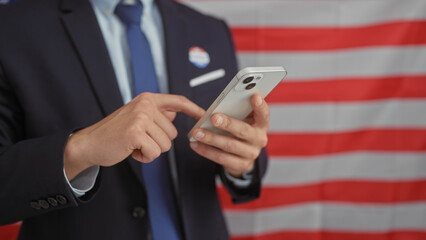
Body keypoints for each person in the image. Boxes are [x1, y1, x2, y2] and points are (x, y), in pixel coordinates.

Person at [0, 0, 269, 239]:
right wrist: (80, 148)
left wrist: (243, 163)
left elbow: (239, 148)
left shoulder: (208, 29)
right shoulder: (12, 26)